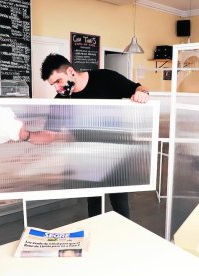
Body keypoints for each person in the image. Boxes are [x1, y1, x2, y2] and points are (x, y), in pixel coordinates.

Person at [19, 53, 150, 218]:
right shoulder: (61, 100)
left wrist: (142, 94)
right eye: (53, 85)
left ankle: (122, 240)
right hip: (89, 158)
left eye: (58, 81)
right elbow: (49, 136)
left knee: (120, 203)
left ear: (71, 72)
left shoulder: (106, 77)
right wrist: (26, 135)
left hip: (117, 155)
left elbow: (138, 87)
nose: (58, 88)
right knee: (94, 205)